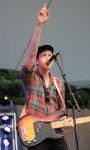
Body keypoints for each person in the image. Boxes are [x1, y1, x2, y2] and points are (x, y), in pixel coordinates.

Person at [21, 3, 72, 150]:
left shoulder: (59, 82)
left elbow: (61, 111)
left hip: (56, 133)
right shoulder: (30, 76)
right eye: (44, 55)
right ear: (37, 60)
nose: (48, 57)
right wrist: (40, 25)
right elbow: (31, 53)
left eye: (50, 55)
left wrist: (65, 121)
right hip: (37, 133)